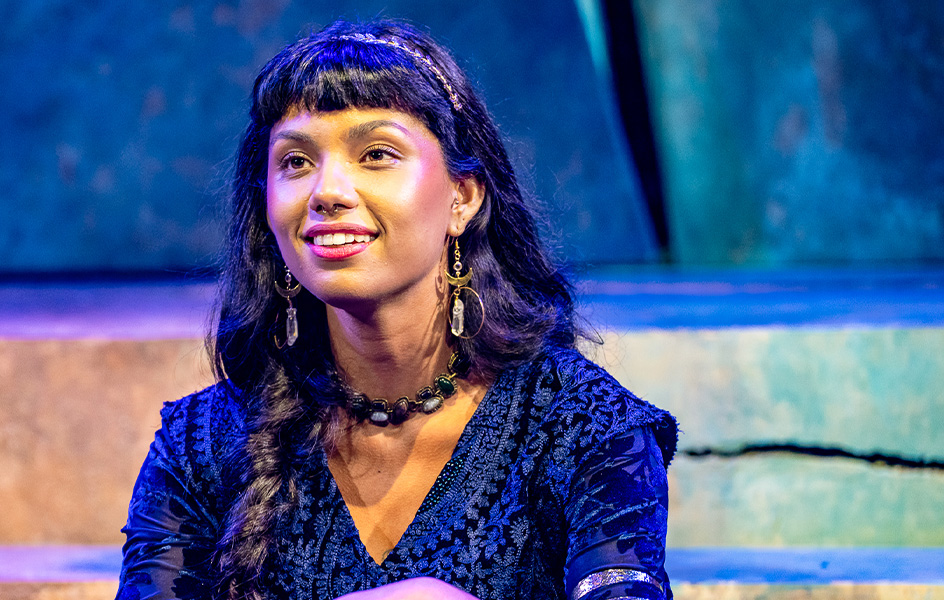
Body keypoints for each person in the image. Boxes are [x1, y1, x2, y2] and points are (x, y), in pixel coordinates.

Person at [117, 19, 678, 600]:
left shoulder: (580, 426)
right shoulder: (202, 444)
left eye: (377, 154)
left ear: (463, 198)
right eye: (296, 162)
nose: (327, 192)